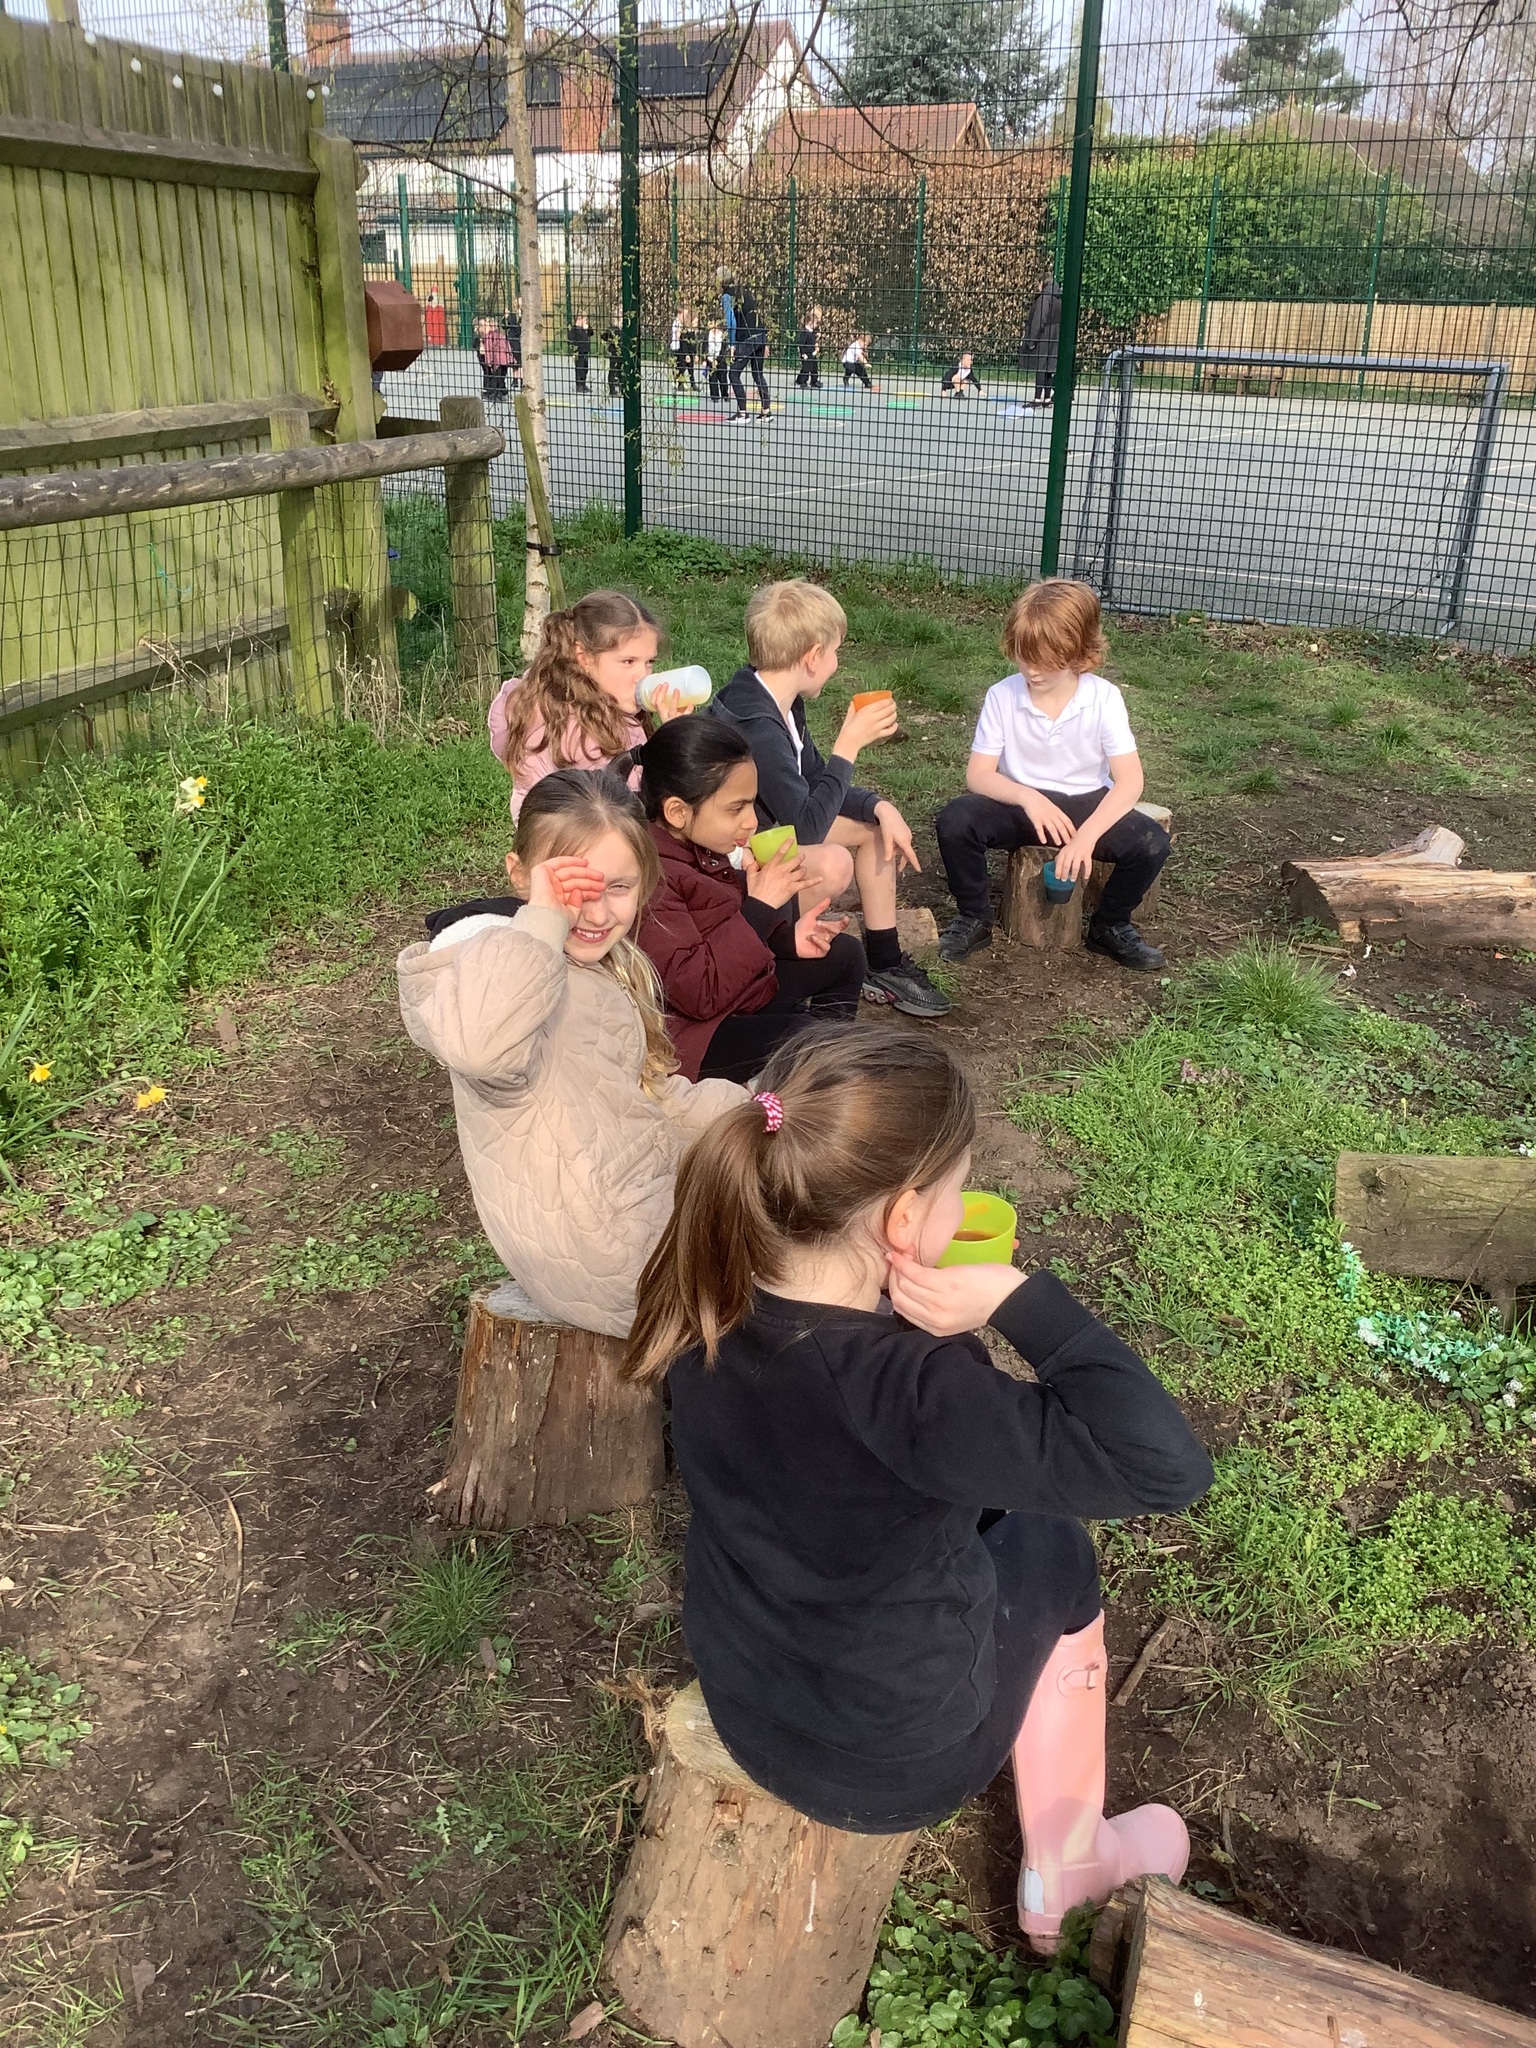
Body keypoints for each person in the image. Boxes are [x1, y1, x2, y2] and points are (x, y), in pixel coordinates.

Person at [623, 1026, 1212, 1946]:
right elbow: (1165, 1466)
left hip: (749, 1696)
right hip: (892, 1758)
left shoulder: (708, 1295)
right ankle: (1070, 1865)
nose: (961, 1209)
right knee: (1054, 1547)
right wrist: (1021, 1301)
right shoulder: (910, 1387)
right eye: (956, 1191)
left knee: (992, 1519)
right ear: (903, 1221)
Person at [397, 772, 745, 1340]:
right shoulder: (494, 974)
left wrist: (749, 1110)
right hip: (607, 1250)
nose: (596, 913)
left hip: (628, 1211)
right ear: (523, 878)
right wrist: (544, 917)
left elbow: (649, 1094)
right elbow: (479, 1048)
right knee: (819, 1253)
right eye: (572, 888)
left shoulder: (601, 967)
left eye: (618, 887)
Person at [714, 580, 950, 1019]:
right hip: (733, 860)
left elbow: (815, 781)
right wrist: (849, 746)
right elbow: (807, 827)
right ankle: (774, 949)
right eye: (837, 651)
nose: (838, 663)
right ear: (813, 656)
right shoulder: (757, 726)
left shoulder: (778, 700)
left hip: (766, 835)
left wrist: (879, 806)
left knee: (874, 829)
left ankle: (884, 962)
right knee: (832, 863)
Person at [934, 579, 1171, 971]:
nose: (1032, 670)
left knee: (1151, 844)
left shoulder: (1103, 698)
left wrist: (1087, 837)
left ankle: (1110, 925)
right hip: (1022, 805)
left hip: (1086, 802)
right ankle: (974, 917)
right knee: (955, 820)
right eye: (1024, 656)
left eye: (1046, 661)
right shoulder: (1003, 695)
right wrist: (1028, 797)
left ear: (1079, 652)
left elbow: (1130, 779)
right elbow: (978, 774)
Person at [636, 718, 867, 1086]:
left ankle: (815, 1083)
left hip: (736, 993)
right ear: (677, 812)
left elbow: (723, 923)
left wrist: (786, 940)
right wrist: (760, 906)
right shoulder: (651, 878)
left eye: (752, 805)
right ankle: (807, 1080)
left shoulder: (701, 847)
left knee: (845, 956)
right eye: (736, 809)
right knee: (805, 1036)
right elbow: (698, 993)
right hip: (693, 1036)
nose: (752, 822)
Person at [486, 589, 690, 819]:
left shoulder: (549, 702)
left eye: (649, 662)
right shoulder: (588, 734)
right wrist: (675, 739)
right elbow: (643, 809)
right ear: (583, 658)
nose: (642, 675)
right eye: (628, 661)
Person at [719, 266, 771, 421]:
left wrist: (732, 344)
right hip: (760, 335)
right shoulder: (745, 292)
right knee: (757, 373)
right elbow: (756, 315)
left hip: (746, 338)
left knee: (734, 373)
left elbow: (731, 322)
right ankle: (766, 411)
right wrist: (764, 340)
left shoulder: (727, 296)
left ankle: (742, 412)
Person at [1018, 280, 1061, 406]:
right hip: (1055, 335)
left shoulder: (1044, 298)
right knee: (1049, 367)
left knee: (1040, 366)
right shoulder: (1058, 297)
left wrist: (1032, 339)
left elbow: (1039, 319)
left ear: (1043, 283)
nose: (1037, 286)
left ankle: (1037, 399)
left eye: (1039, 283)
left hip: (1044, 335)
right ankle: (1047, 398)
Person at [475, 316, 511, 402]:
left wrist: (489, 361)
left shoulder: (492, 336)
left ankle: (497, 393)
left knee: (497, 377)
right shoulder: (498, 335)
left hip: (498, 360)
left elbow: (490, 350)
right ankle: (498, 393)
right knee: (498, 376)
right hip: (501, 359)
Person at [795, 305, 822, 389]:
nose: (816, 325)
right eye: (815, 323)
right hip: (806, 353)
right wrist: (803, 353)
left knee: (814, 367)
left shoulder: (812, 332)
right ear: (810, 323)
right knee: (806, 368)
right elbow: (801, 344)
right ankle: (803, 381)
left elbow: (813, 340)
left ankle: (814, 381)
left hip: (812, 353)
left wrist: (816, 339)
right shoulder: (804, 332)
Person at [671, 307, 698, 390]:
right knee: (680, 366)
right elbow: (679, 337)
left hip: (683, 348)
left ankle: (689, 383)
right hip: (677, 347)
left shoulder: (685, 326)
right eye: (683, 315)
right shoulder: (677, 323)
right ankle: (679, 383)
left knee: (688, 367)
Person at [705, 321, 730, 402]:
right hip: (710, 359)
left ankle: (725, 394)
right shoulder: (708, 333)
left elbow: (724, 350)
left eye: (711, 322)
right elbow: (705, 346)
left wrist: (717, 359)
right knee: (712, 378)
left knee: (723, 378)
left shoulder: (723, 335)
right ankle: (715, 396)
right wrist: (704, 359)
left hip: (720, 360)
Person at [569, 313, 593, 395]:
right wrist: (580, 329)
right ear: (579, 320)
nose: (586, 321)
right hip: (578, 351)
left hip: (585, 351)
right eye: (584, 319)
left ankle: (583, 384)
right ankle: (579, 385)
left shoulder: (585, 328)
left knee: (585, 368)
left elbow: (591, 333)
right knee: (579, 368)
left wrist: (587, 328)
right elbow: (573, 339)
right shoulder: (574, 329)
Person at [503, 309, 524, 393]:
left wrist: (506, 317)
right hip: (516, 344)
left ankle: (517, 380)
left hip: (514, 344)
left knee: (516, 363)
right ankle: (518, 380)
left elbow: (503, 325)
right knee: (517, 363)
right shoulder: (515, 326)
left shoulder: (512, 327)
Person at [601, 322, 623, 397]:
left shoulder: (623, 328)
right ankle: (612, 389)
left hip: (622, 353)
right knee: (613, 370)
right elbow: (604, 337)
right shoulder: (612, 329)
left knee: (621, 370)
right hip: (614, 353)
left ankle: (622, 388)